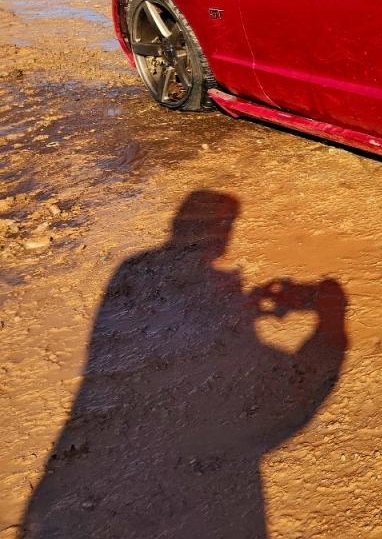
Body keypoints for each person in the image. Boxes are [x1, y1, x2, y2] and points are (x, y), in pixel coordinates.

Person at [22, 190, 348, 539]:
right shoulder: (147, 275)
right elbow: (288, 400)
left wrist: (242, 308)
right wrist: (332, 317)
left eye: (227, 224)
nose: (225, 233)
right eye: (222, 224)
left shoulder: (133, 268)